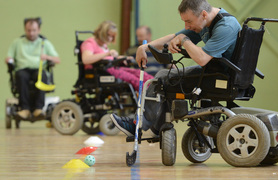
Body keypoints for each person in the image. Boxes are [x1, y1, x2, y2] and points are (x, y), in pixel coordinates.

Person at [110, 0, 241, 137]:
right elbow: (174, 37)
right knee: (168, 79)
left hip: (221, 77)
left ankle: (138, 125)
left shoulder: (226, 26)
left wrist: (184, 40)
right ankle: (157, 129)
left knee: (162, 77)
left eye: (189, 21)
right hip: (215, 72)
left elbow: (202, 58)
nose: (187, 26)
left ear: (203, 14)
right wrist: (144, 47)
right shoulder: (206, 22)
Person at [5, 17, 60, 119]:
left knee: (42, 75)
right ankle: (24, 109)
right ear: (25, 30)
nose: (31, 33)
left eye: (34, 30)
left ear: (39, 30)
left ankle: (38, 109)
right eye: (28, 30)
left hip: (38, 69)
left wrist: (47, 57)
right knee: (21, 75)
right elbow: (9, 57)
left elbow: (57, 59)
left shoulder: (44, 43)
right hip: (22, 69)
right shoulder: (17, 43)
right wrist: (9, 60)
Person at [80, 20, 153, 91]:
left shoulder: (103, 45)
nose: (110, 38)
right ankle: (148, 95)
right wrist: (107, 53)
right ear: (102, 33)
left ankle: (155, 88)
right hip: (102, 71)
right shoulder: (89, 43)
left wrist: (120, 58)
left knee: (141, 74)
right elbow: (86, 59)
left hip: (112, 68)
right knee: (134, 79)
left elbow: (107, 58)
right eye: (108, 35)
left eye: (112, 36)